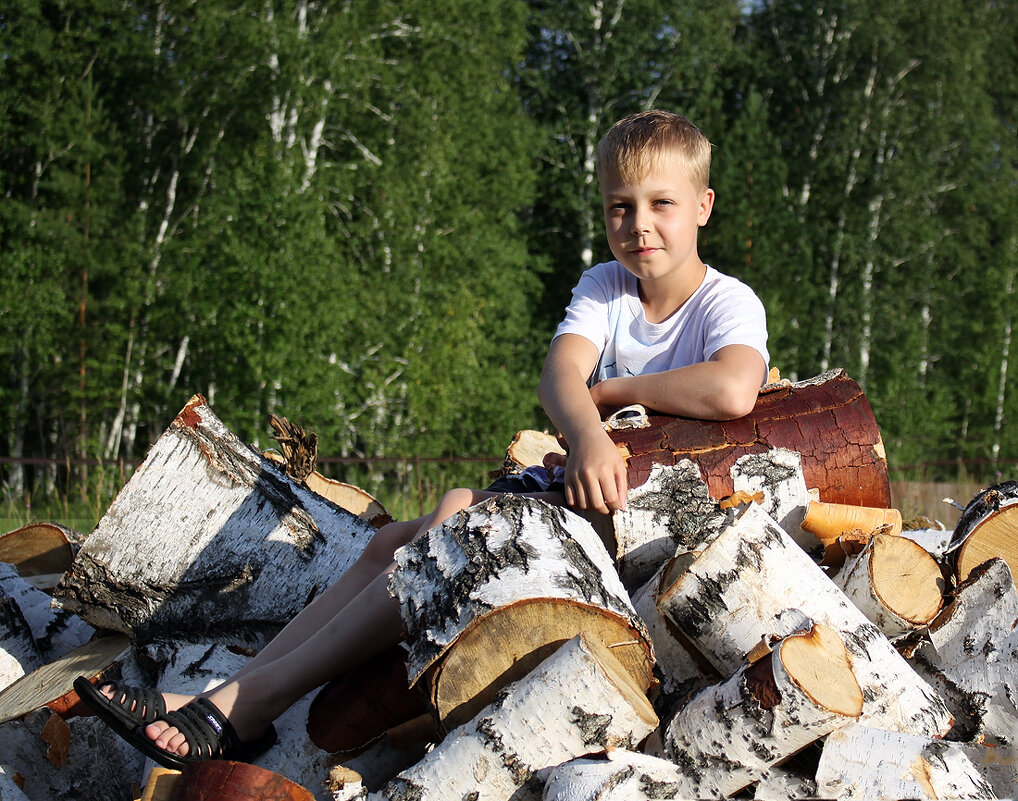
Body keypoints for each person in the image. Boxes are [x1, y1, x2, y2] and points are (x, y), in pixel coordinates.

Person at [76, 109, 768, 769]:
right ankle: (220, 698)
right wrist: (584, 423)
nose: (639, 224)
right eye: (621, 206)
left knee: (449, 515)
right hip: (578, 491)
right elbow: (560, 373)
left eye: (661, 204)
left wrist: (608, 394)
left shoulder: (724, 301)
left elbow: (736, 387)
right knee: (386, 543)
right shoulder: (607, 285)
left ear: (703, 205)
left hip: (642, 529)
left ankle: (251, 701)